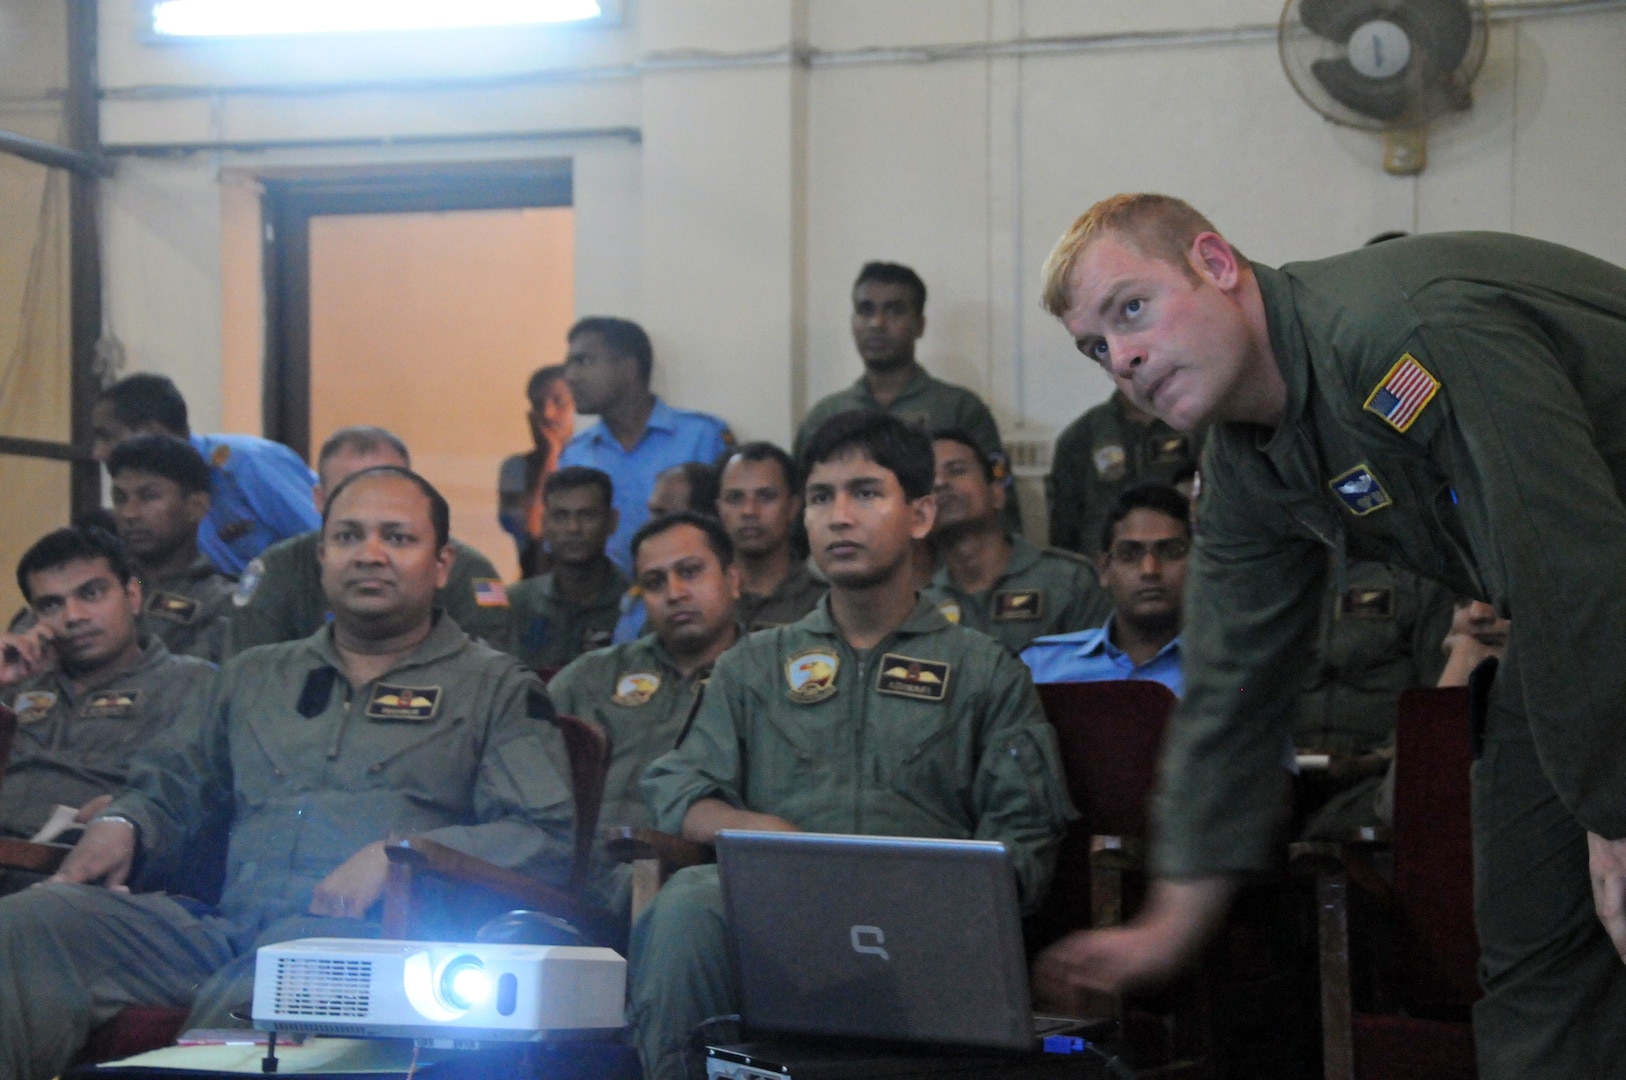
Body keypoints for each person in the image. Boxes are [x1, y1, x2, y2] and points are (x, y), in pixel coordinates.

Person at [1029, 192, 1626, 1079]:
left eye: (1131, 308)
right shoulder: (1246, 463)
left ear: (1217, 264)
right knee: (1535, 960)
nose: (1123, 357)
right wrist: (1168, 923)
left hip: (1591, 595)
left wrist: (1615, 814)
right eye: (1096, 347)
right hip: (1576, 628)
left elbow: (1570, 561)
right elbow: (1232, 690)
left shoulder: (1402, 335)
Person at [0, 466, 575, 1080]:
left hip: (378, 950)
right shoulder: (253, 676)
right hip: (225, 931)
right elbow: (170, 782)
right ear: (321, 555)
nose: (370, 555)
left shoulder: (495, 689)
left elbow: (543, 836)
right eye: (349, 536)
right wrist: (124, 820)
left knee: (278, 975)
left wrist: (401, 850)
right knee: (33, 924)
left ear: (441, 565)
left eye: (398, 538)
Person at [628, 410, 1073, 1080]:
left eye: (865, 493)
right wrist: (762, 831)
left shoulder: (984, 670)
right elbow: (678, 789)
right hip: (785, 917)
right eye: (819, 497)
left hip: (926, 922)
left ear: (920, 514)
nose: (839, 516)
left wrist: (922, 893)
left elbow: (1024, 844)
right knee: (689, 903)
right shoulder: (756, 664)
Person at [548, 511, 742, 914]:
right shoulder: (592, 677)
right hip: (578, 878)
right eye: (654, 582)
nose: (674, 593)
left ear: (734, 580)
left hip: (704, 886)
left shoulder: (764, 673)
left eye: (690, 572)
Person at [0, 527, 215, 850]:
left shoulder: (194, 684)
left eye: (91, 594)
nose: (73, 616)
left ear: (132, 595)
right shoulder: (19, 683)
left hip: (94, 872)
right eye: (51, 605)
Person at [225, 426, 511, 656]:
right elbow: (249, 685)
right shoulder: (279, 569)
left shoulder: (462, 569)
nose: (369, 504)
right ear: (320, 500)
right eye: (350, 493)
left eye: (385, 489)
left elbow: (488, 683)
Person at [1292, 557, 1456, 840]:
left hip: (1379, 774)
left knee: (1329, 830)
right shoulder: (1272, 576)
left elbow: (1439, 703)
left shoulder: (1418, 578)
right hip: (1285, 772)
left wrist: (1374, 760)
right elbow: (1245, 691)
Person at [90, 373, 318, 575]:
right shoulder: (141, 508)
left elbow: (324, 540)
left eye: (106, 436)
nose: (98, 452)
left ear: (151, 431)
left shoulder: (247, 463)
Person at [558, 317, 733, 573]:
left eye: (584, 361)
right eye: (569, 365)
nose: (570, 377)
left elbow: (732, 529)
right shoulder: (576, 453)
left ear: (629, 368)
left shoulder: (703, 436)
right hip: (606, 606)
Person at [922, 429, 1106, 653]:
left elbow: (1099, 678)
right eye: (928, 480)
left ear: (997, 494)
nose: (940, 483)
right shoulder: (922, 607)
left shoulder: (1069, 581)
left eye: (957, 470)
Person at [1020, 483, 1189, 695]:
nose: (1150, 570)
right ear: (1103, 569)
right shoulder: (1040, 667)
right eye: (1129, 553)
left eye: (1171, 551)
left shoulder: (1231, 672)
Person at [106, 435, 237, 663]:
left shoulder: (225, 603)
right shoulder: (94, 593)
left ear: (196, 507)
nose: (129, 513)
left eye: (149, 497)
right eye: (120, 498)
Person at [1048, 389, 1202, 556]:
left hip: (1180, 561)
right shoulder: (1081, 436)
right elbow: (1064, 530)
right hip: (1102, 567)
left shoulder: (1196, 426)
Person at [506, 466, 627, 671]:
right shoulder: (516, 604)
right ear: (544, 523)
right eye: (561, 516)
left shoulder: (634, 605)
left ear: (611, 521)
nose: (573, 528)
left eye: (587, 515)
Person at [716, 442, 824, 631]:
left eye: (766, 497)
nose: (749, 511)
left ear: (793, 507)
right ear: (719, 510)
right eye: (735, 498)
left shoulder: (825, 602)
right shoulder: (701, 597)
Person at [611, 461, 722, 645]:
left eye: (663, 514)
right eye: (652, 511)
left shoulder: (719, 595)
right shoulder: (637, 592)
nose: (651, 523)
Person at [498, 364, 575, 578]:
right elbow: (534, 531)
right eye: (539, 405)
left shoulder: (598, 461)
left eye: (559, 402)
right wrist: (552, 456)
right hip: (535, 583)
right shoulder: (515, 468)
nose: (548, 413)